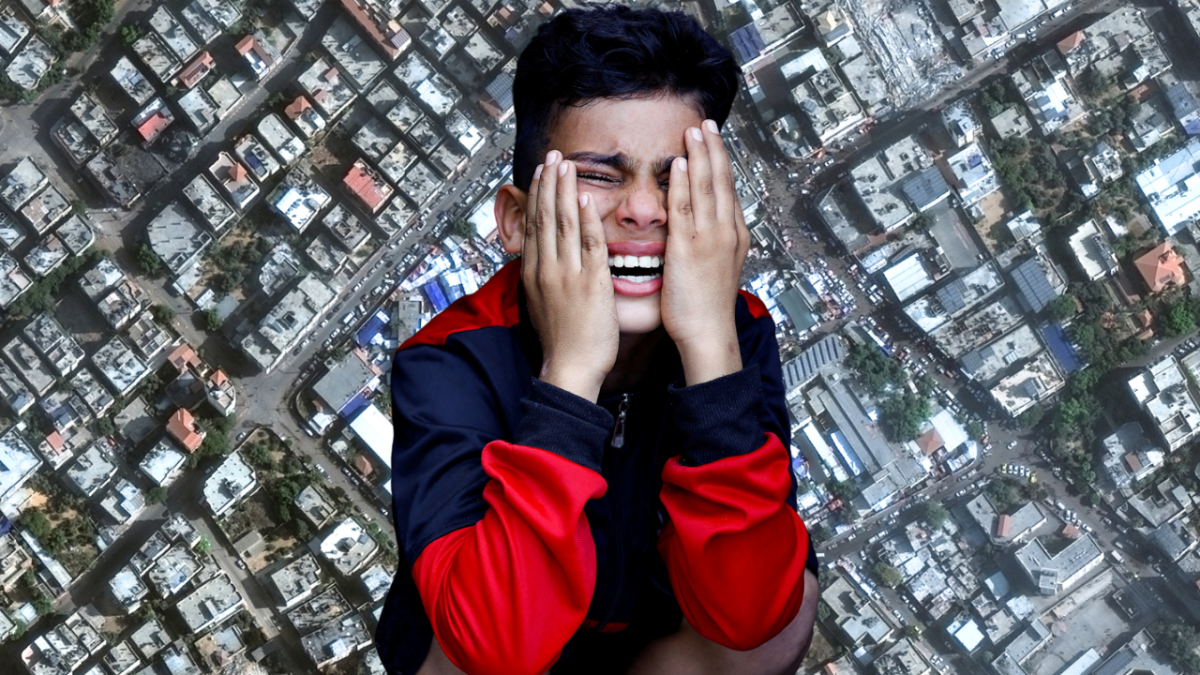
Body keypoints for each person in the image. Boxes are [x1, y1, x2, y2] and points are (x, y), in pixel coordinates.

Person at [378, 4, 819, 675]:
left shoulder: (736, 330)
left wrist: (709, 348)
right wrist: (573, 370)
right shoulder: (451, 361)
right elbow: (495, 645)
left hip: (650, 634)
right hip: (495, 624)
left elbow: (751, 612)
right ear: (517, 221)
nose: (643, 209)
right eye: (600, 175)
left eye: (677, 179)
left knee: (784, 621)